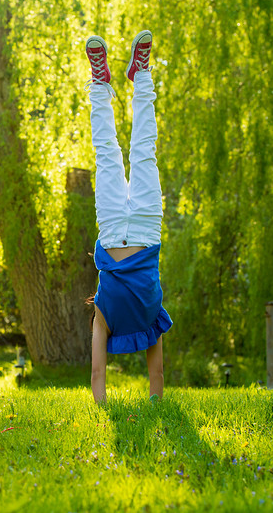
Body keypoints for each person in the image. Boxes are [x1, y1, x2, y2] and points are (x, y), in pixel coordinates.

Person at [84, 30, 173, 405]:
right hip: (146, 228)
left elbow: (97, 372)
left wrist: (102, 409)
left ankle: (100, 83)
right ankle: (142, 74)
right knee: (142, 150)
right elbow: (157, 374)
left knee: (108, 152)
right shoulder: (153, 319)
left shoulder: (104, 316)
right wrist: (154, 408)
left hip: (113, 229)